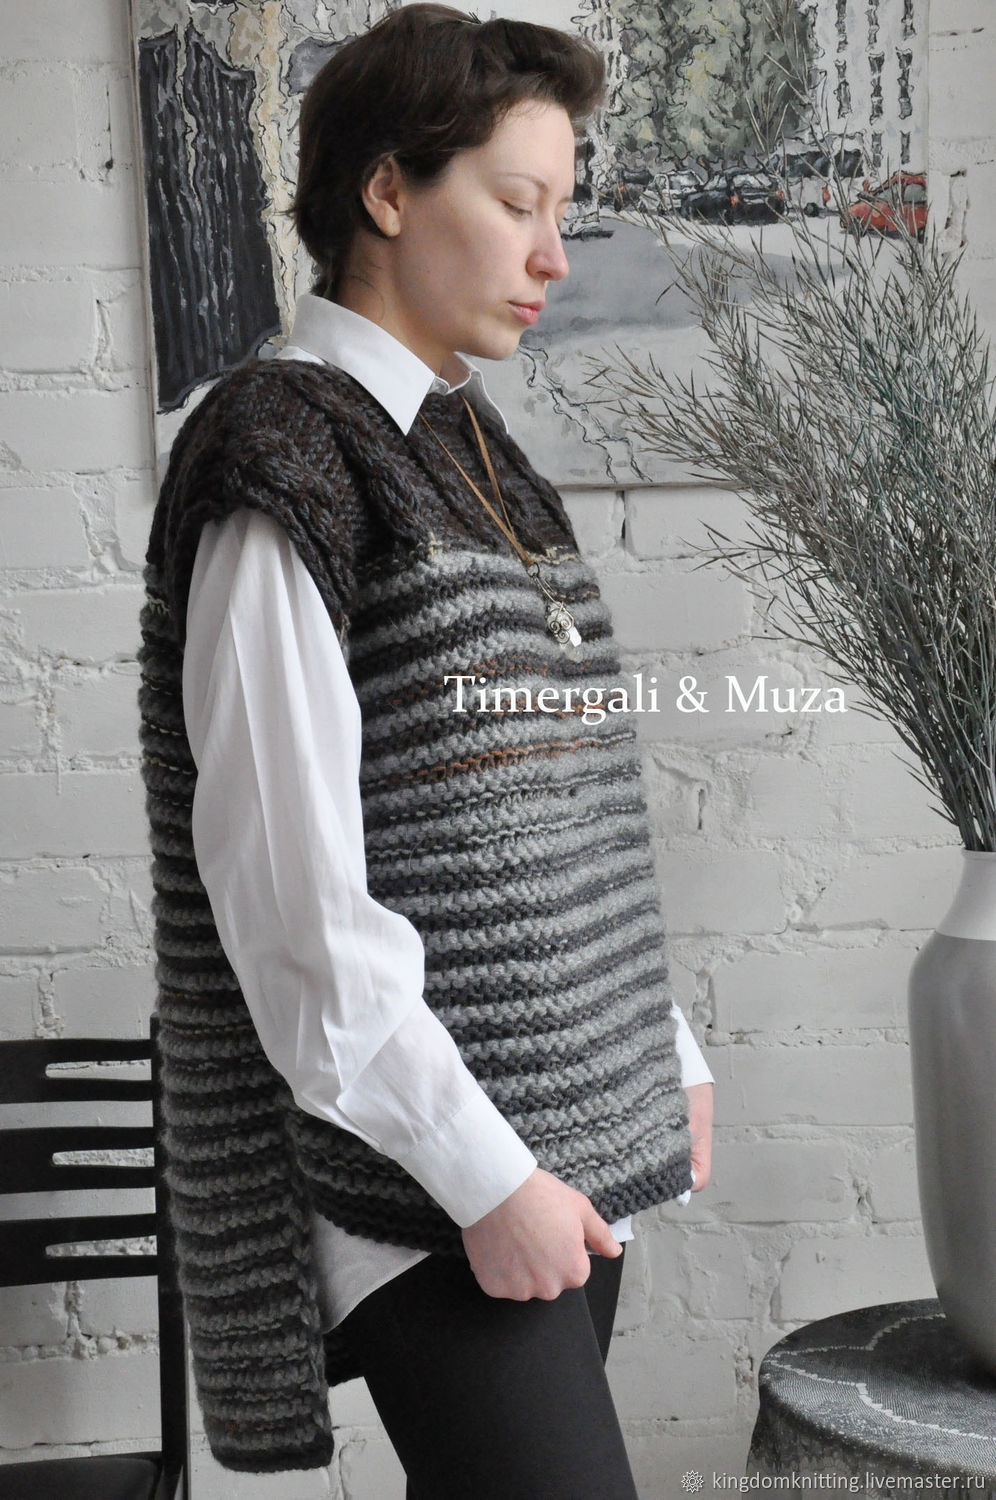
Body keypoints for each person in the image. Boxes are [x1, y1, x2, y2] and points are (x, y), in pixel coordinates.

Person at [139, 6, 714, 1496]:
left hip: (557, 1136)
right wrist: (485, 1174)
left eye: (561, 211)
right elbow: (290, 907)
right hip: (430, 1179)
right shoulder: (281, 455)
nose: (553, 258)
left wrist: (664, 1047)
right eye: (518, 204)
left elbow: (562, 808)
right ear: (388, 191)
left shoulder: (471, 451)